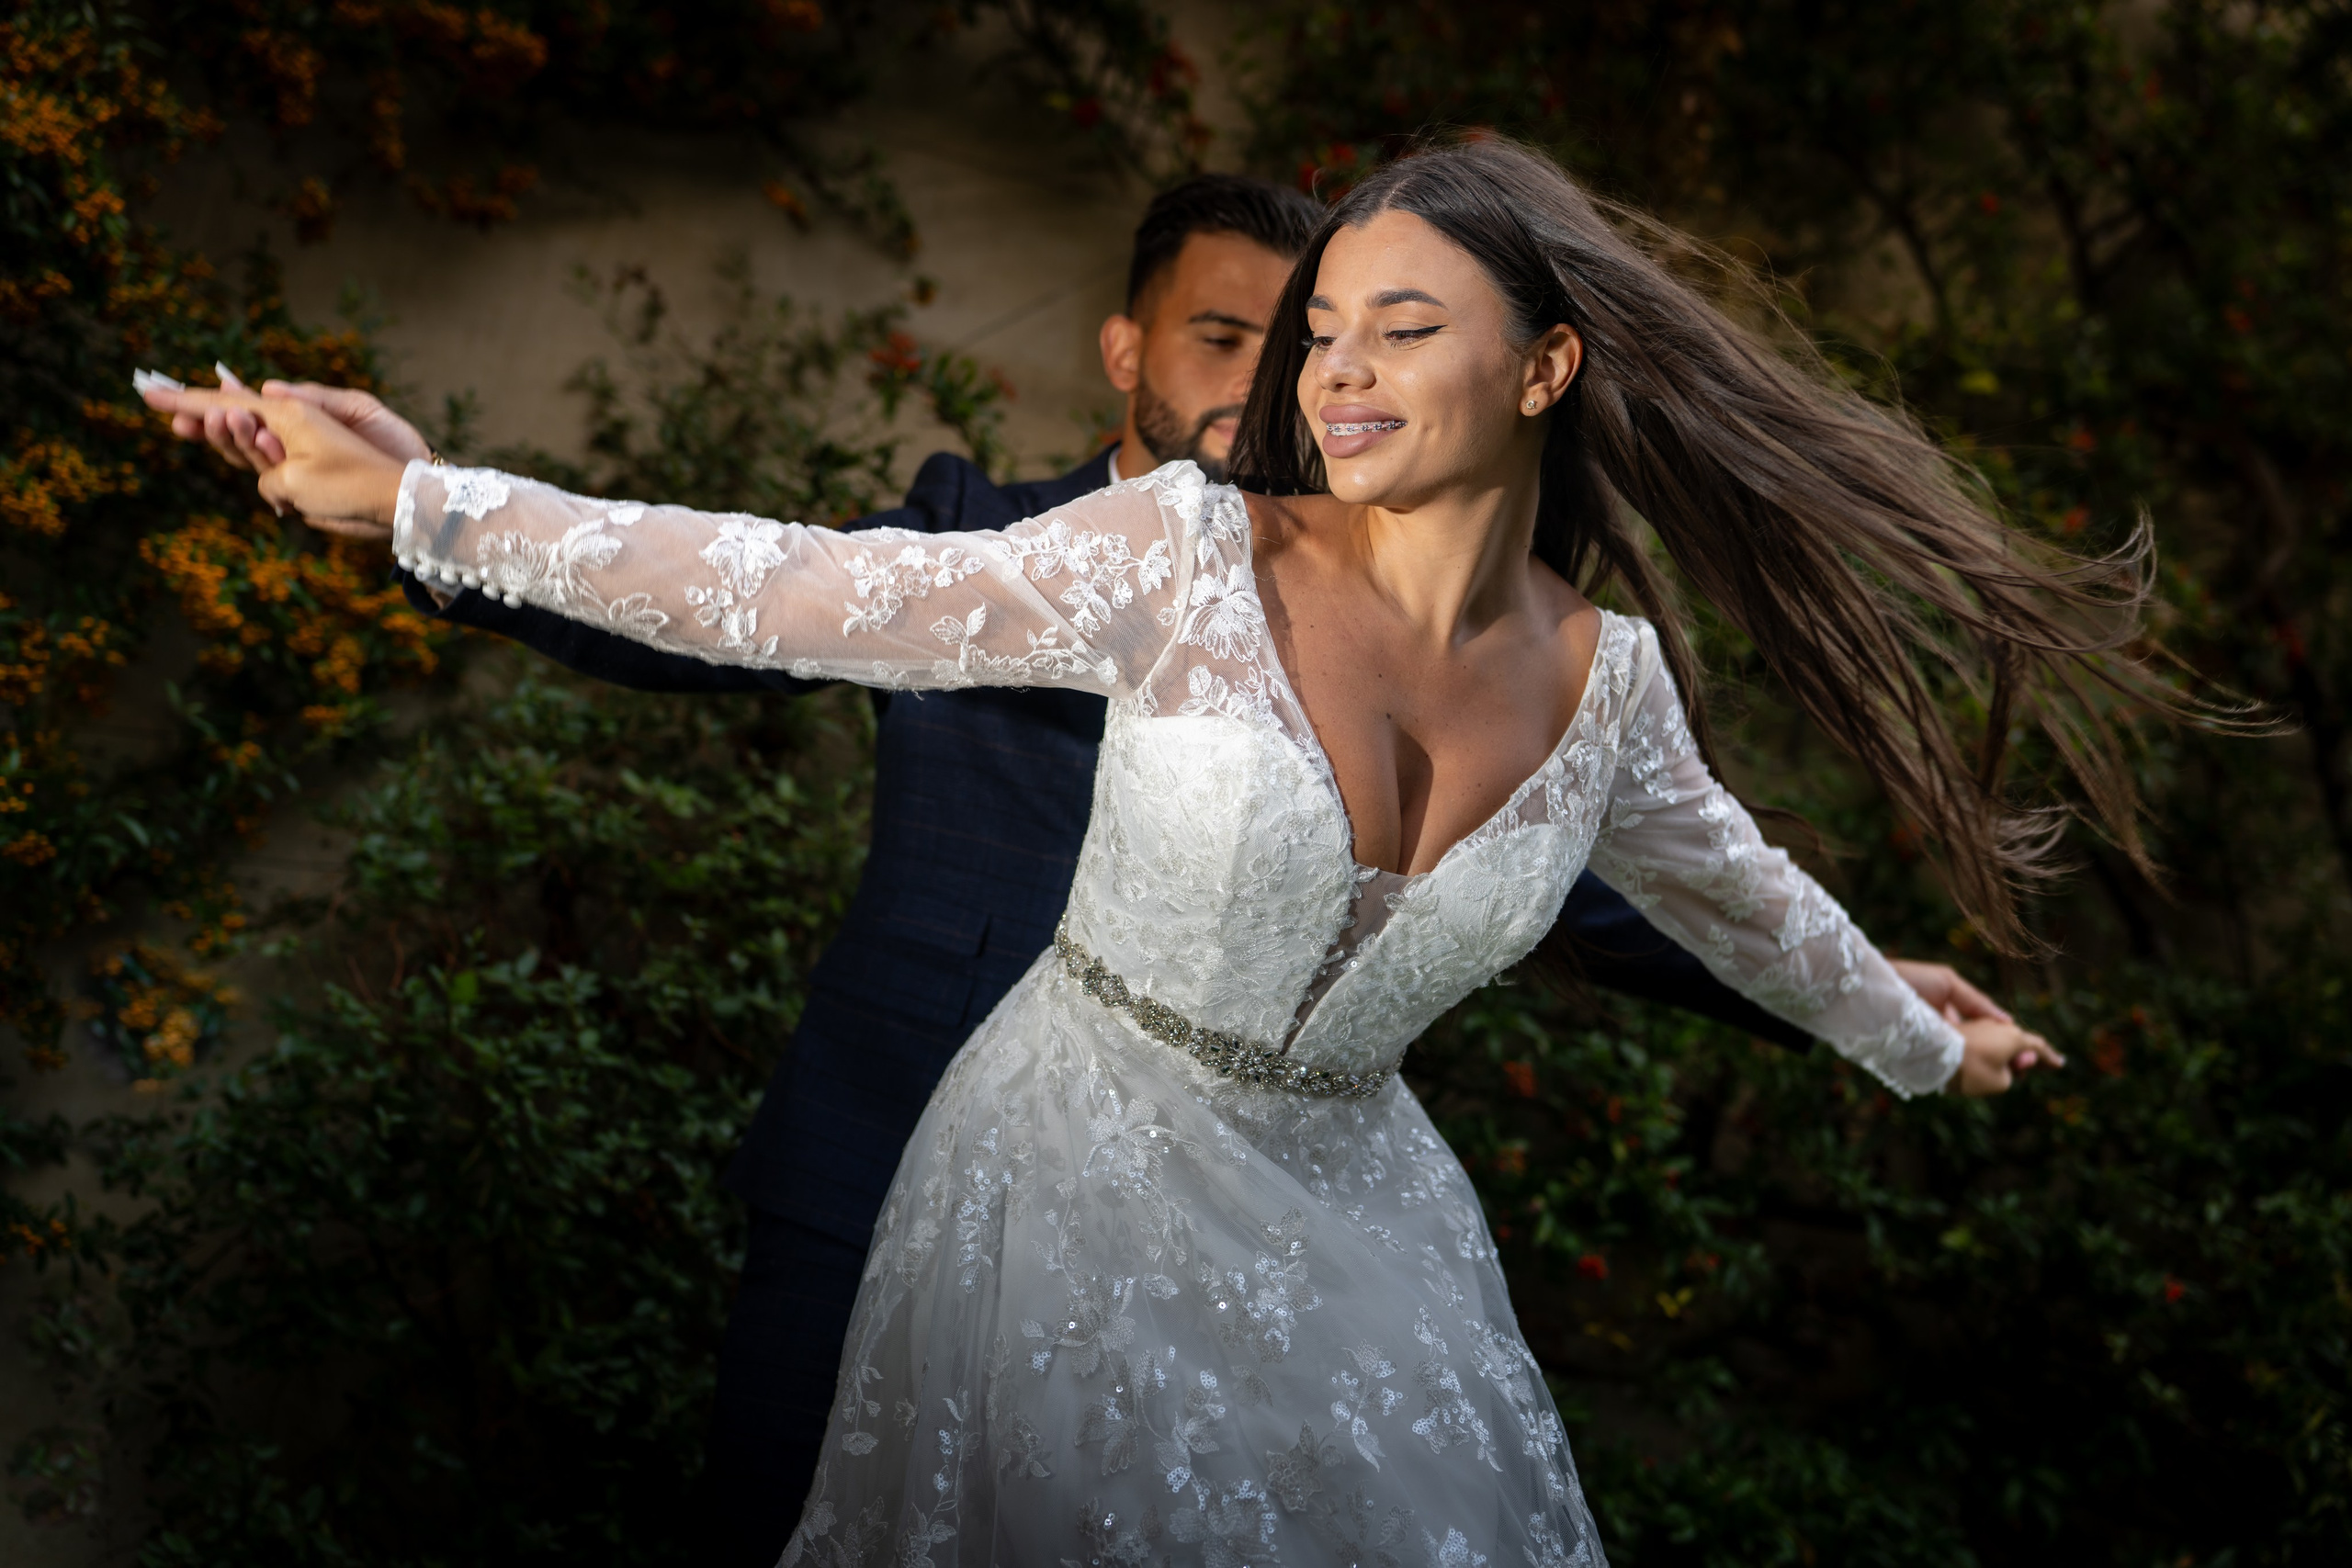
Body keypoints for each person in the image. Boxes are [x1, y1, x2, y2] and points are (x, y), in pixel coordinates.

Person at [140, 142, 2091, 1562]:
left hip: (1355, 1236)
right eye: (1316, 330)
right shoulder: (1173, 555)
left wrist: (1921, 1035)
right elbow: (785, 589)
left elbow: (1749, 906)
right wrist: (427, 500)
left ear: (1544, 367)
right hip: (1051, 1181)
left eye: (1395, 328)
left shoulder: (1612, 691)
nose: (1327, 371)